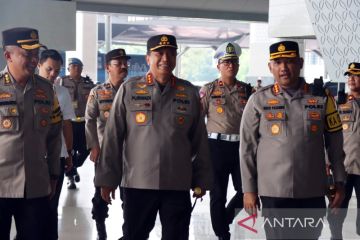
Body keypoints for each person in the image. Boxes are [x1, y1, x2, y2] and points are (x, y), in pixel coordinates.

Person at [94, 34, 213, 240]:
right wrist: (107, 178)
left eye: (171, 53)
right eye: (159, 53)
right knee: (134, 235)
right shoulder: (129, 89)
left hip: (177, 183)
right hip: (138, 182)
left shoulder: (188, 92)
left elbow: (199, 140)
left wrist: (201, 178)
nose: (165, 58)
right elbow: (113, 136)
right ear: (148, 58)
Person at [240, 40, 346, 239]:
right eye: (278, 62)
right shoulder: (258, 100)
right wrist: (248, 190)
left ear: (300, 62)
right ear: (270, 67)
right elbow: (247, 148)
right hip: (274, 191)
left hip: (312, 189)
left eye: (289, 61)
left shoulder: (322, 98)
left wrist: (339, 181)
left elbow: (335, 143)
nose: (283, 68)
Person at [0, 27, 62, 239]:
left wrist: (54, 174)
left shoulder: (46, 89)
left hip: (35, 186)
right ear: (8, 55)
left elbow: (54, 136)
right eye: (27, 54)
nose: (34, 60)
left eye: (36, 54)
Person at [199, 41, 252, 240]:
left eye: (234, 61)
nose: (231, 65)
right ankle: (222, 234)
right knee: (218, 194)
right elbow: (197, 120)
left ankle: (225, 219)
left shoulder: (247, 91)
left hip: (241, 147)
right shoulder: (209, 89)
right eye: (226, 62)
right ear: (218, 65)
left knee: (245, 190)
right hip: (216, 147)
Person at [85, 48, 130, 240]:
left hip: (130, 153)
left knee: (129, 195)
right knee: (101, 192)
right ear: (107, 67)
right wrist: (94, 146)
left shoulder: (135, 91)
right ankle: (100, 226)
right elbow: (89, 120)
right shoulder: (98, 92)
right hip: (105, 152)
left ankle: (128, 232)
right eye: (118, 63)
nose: (123, 66)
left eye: (124, 62)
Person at [37, 49, 75, 240]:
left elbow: (67, 124)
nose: (53, 74)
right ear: (39, 65)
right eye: (49, 69)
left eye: (57, 71)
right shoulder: (29, 89)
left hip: (56, 157)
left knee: (52, 205)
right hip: (33, 158)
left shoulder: (62, 93)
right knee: (32, 208)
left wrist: (68, 153)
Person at [327, 62, 360, 240]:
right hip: (343, 167)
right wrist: (327, 161)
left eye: (355, 75)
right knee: (336, 207)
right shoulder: (339, 103)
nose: (351, 79)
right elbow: (329, 135)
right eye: (349, 76)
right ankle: (335, 237)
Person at [60, 57, 95, 189]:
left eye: (78, 66)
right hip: (69, 123)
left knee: (86, 148)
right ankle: (70, 177)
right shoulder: (61, 82)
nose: (76, 69)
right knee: (69, 149)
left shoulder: (88, 83)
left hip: (84, 123)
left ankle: (75, 166)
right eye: (73, 66)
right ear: (68, 68)